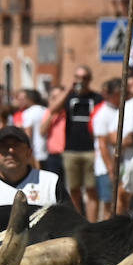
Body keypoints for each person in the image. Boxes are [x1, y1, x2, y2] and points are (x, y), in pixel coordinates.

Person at [0, 124, 75, 239]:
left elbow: (72, 229)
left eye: (16, 145)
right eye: (4, 146)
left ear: (29, 152)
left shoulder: (50, 183)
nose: (10, 150)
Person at [47, 66, 100, 220]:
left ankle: (92, 223)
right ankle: (79, 221)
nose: (81, 81)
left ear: (89, 79)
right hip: (71, 149)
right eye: (78, 77)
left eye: (84, 78)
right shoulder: (68, 97)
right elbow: (53, 109)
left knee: (91, 189)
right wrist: (68, 90)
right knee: (74, 189)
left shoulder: (96, 98)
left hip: (91, 149)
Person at [91, 78, 123, 219]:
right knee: (109, 205)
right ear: (110, 94)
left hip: (119, 166)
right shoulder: (103, 114)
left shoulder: (118, 110)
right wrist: (111, 169)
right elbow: (102, 144)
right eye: (118, 93)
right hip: (106, 168)